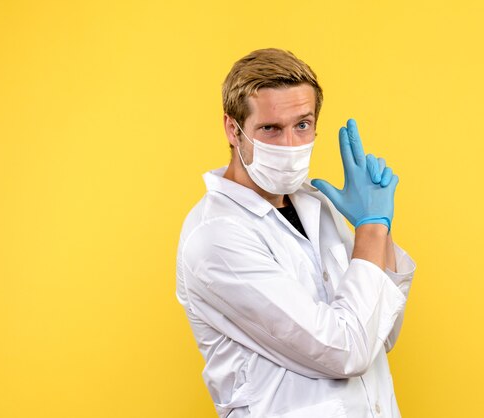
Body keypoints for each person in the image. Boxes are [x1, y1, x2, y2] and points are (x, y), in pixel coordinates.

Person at [176, 48, 416, 417]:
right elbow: (346, 352)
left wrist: (380, 229)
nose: (290, 144)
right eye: (270, 128)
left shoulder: (317, 206)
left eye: (302, 125)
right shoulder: (216, 238)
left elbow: (381, 334)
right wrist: (370, 229)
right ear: (232, 129)